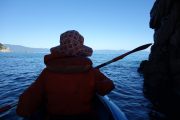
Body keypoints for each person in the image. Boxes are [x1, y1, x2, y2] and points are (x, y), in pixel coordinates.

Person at [16, 30, 115, 119]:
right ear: (81, 50)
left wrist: (22, 111)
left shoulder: (47, 73)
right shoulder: (91, 71)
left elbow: (25, 105)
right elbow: (107, 87)